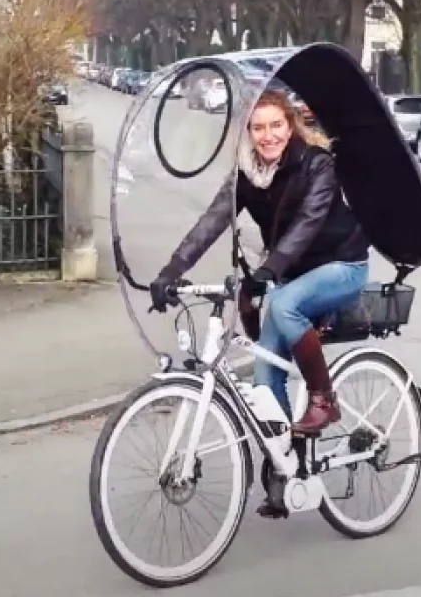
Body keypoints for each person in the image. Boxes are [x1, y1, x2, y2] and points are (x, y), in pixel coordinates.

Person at [149, 89, 370, 437]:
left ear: (291, 124)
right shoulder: (246, 173)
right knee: (266, 370)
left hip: (342, 265)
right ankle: (284, 460)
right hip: (291, 274)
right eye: (258, 128)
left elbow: (307, 224)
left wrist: (270, 269)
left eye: (276, 125)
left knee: (283, 304)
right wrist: (172, 270)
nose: (268, 136)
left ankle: (323, 399)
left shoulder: (316, 164)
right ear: (247, 132)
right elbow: (212, 221)